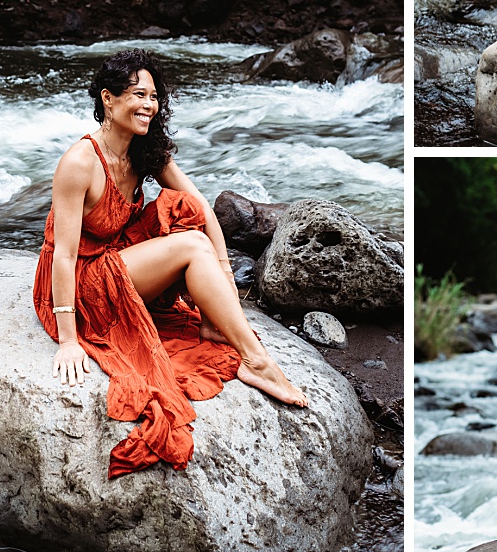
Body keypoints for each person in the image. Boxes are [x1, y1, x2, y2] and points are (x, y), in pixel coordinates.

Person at [33, 48, 307, 479]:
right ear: (108, 98)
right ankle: (258, 361)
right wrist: (69, 339)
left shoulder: (145, 149)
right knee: (190, 245)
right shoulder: (79, 163)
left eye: (154, 97)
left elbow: (200, 204)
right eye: (138, 95)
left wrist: (224, 276)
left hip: (115, 258)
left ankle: (215, 322)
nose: (149, 106)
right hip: (82, 282)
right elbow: (64, 256)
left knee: (184, 211)